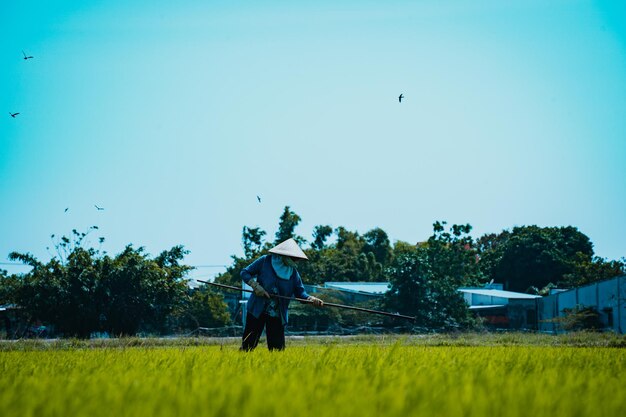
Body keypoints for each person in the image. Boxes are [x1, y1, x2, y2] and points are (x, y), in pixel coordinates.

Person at [240, 238, 323, 351]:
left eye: (296, 259)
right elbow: (245, 272)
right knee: (248, 345)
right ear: (284, 255)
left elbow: (300, 293)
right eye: (293, 258)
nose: (295, 261)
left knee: (277, 350)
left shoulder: (293, 273)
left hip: (277, 314)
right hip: (257, 309)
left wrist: (311, 298)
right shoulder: (265, 261)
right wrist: (255, 285)